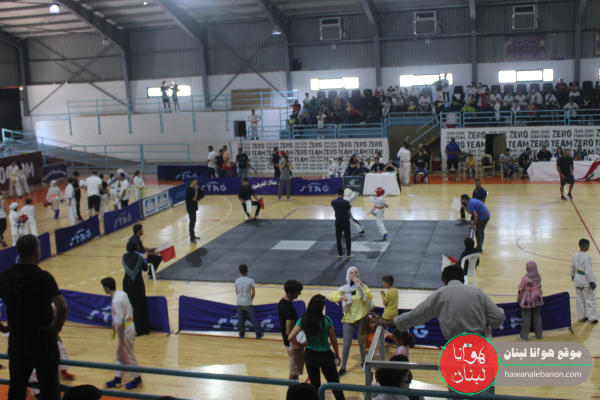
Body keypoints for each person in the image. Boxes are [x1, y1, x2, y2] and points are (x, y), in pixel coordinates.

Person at [0, 235, 68, 400]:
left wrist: (2, 327)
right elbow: (62, 306)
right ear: (36, 252)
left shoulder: (5, 276)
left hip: (17, 339)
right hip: (42, 340)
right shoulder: (43, 277)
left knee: (17, 386)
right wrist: (56, 328)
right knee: (49, 388)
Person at [379, 265, 505, 340]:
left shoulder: (440, 294)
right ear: (462, 279)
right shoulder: (478, 292)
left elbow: (415, 315)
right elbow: (499, 317)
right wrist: (486, 321)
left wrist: (387, 323)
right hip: (478, 349)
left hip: (455, 349)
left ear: (444, 280)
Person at [288, 294, 345, 400]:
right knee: (334, 384)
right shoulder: (327, 320)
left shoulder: (303, 320)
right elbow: (333, 340)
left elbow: (290, 337)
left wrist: (300, 344)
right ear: (321, 307)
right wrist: (337, 354)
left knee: (315, 385)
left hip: (310, 356)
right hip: (325, 356)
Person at [328, 267, 372, 377]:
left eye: (356, 272)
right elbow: (331, 297)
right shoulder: (344, 288)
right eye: (352, 273)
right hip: (348, 320)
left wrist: (362, 285)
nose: (354, 274)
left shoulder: (362, 287)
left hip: (361, 319)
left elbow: (369, 297)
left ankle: (363, 363)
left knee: (362, 343)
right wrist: (340, 297)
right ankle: (343, 367)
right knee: (347, 344)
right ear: (348, 275)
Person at [101, 277, 143, 389]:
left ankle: (138, 379)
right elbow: (129, 309)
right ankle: (117, 379)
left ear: (107, 288)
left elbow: (119, 322)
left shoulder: (116, 301)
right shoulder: (122, 293)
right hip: (128, 326)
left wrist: (114, 324)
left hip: (125, 330)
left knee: (128, 354)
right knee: (120, 355)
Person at [278, 279, 304, 380]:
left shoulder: (282, 302)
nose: (299, 294)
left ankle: (294, 388)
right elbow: (288, 332)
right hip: (293, 345)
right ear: (290, 293)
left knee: (295, 371)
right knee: (294, 372)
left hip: (289, 343)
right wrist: (298, 344)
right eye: (297, 292)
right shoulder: (289, 309)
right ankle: (292, 389)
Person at [122, 241, 150, 336]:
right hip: (137, 283)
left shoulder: (124, 257)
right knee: (139, 305)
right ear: (136, 247)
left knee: (129, 305)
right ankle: (140, 329)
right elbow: (145, 268)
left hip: (127, 283)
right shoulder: (139, 257)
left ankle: (129, 329)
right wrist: (145, 258)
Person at [569, 239, 597, 324]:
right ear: (586, 247)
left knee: (580, 300)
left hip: (577, 279)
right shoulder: (586, 257)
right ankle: (591, 319)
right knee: (590, 300)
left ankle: (581, 317)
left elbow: (572, 266)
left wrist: (572, 275)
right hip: (585, 281)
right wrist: (591, 281)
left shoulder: (575, 255)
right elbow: (588, 271)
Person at [516, 261, 544, 340]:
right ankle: (539, 335)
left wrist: (519, 299)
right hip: (537, 300)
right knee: (537, 317)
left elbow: (520, 290)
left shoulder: (525, 279)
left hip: (527, 301)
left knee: (526, 318)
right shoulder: (538, 277)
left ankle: (524, 336)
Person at [234, 264, 263, 339]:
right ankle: (258, 334)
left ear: (239, 272)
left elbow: (236, 292)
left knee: (240, 319)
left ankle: (241, 334)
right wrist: (250, 299)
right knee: (253, 318)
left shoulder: (237, 280)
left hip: (239, 302)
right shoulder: (251, 280)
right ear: (247, 270)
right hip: (247, 303)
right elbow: (253, 293)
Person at [331, 188, 354, 259]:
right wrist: (348, 218)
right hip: (345, 220)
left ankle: (340, 254)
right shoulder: (346, 202)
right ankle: (348, 254)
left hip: (338, 220)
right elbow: (349, 212)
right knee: (347, 237)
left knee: (338, 238)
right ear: (343, 194)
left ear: (337, 193)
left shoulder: (333, 202)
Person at [185, 178, 204, 243]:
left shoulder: (195, 189)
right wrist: (196, 190)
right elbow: (194, 199)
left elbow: (202, 195)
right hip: (190, 208)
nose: (197, 183)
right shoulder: (189, 190)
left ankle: (193, 235)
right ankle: (192, 238)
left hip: (194, 207)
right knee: (192, 222)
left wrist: (198, 191)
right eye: (195, 182)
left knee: (194, 222)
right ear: (192, 182)